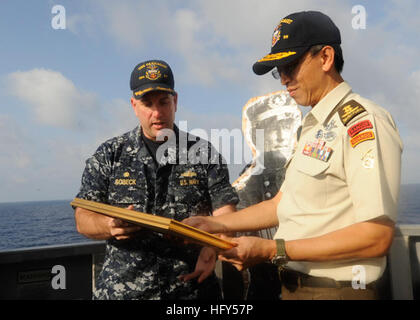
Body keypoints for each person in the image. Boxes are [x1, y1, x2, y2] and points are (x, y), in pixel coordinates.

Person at [183, 11, 403, 300]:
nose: (284, 79)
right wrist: (217, 224)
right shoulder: (313, 128)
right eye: (279, 70)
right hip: (294, 288)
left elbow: (376, 236)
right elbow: (282, 204)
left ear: (325, 58)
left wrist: (273, 249)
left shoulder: (361, 123)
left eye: (290, 65)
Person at [73, 59, 238, 300]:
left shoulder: (204, 153)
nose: (157, 113)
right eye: (147, 103)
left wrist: (211, 248)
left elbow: (226, 212)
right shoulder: (109, 154)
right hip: (124, 291)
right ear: (133, 105)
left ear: (176, 101)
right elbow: (83, 217)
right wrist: (110, 225)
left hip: (191, 292)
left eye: (164, 102)